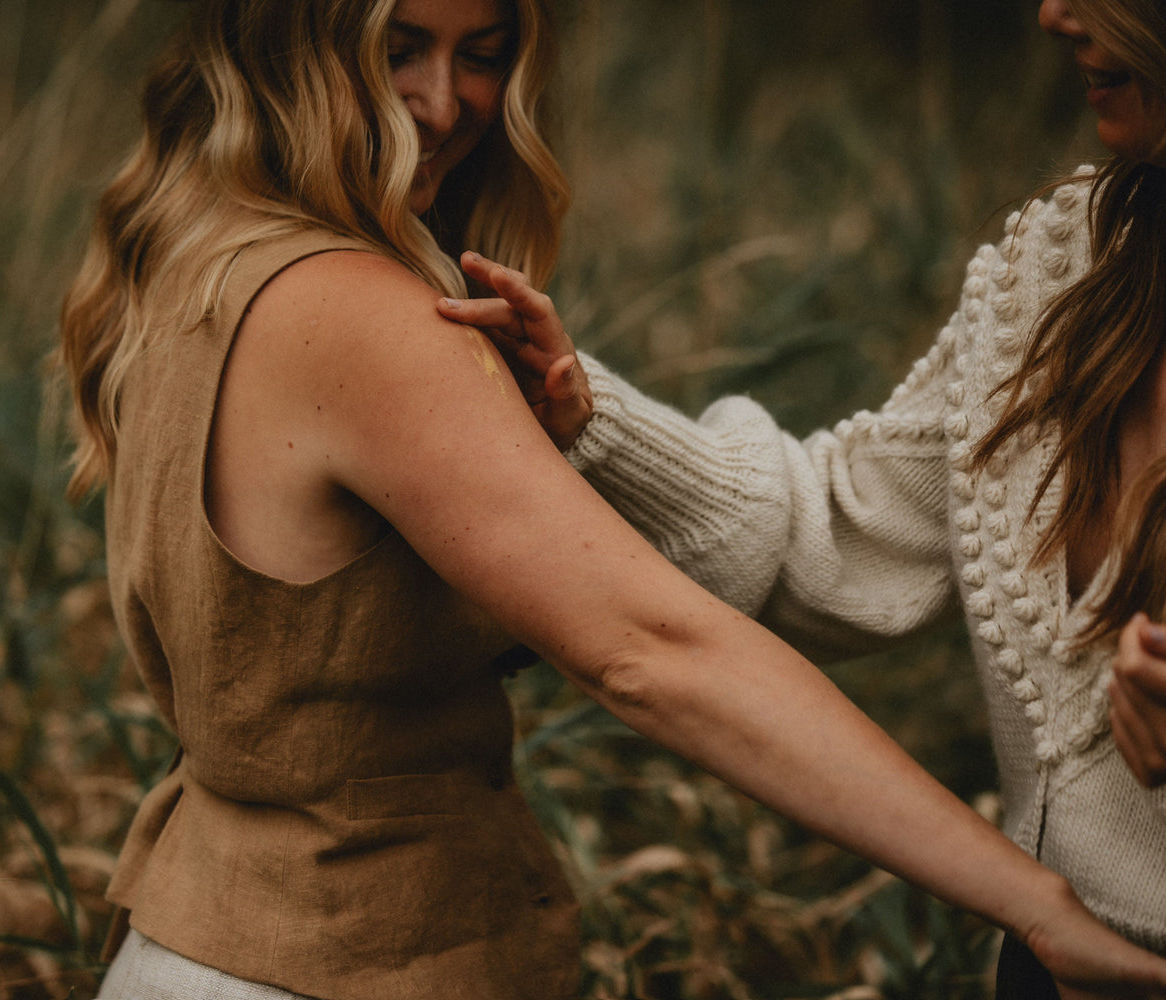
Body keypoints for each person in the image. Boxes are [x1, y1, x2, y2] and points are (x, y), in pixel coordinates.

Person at [60, 0, 1166, 997]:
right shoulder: (363, 314)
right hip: (327, 961)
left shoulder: (201, 252)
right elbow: (653, 650)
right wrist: (1037, 905)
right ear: (294, 41)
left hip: (202, 941)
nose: (444, 104)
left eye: (484, 55)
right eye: (398, 50)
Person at [438, 0, 1166, 995]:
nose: (1053, 14)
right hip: (1050, 966)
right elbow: (839, 531)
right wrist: (587, 414)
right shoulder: (1066, 265)